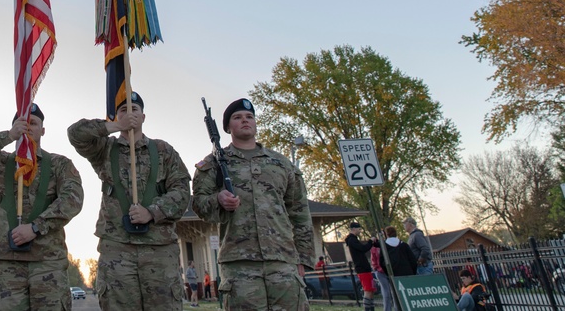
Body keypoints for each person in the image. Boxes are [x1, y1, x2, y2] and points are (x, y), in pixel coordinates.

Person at [68, 92, 191, 311]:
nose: (130, 114)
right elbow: (75, 134)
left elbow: (181, 191)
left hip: (159, 250)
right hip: (117, 249)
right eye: (123, 110)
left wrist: (153, 212)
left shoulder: (164, 151)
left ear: (143, 117)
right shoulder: (104, 149)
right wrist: (113, 127)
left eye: (135, 109)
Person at [191, 98, 315, 311]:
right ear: (228, 127)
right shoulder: (213, 164)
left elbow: (299, 212)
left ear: (256, 123)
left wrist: (303, 258)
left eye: (249, 117)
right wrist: (218, 199)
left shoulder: (281, 164)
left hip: (282, 259)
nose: (245, 121)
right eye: (237, 118)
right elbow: (199, 205)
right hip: (239, 263)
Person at [0, 103, 84, 311]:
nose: (28, 127)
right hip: (9, 263)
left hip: (48, 263)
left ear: (43, 130)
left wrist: (35, 227)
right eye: (23, 123)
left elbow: (73, 200)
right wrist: (7, 136)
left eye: (34, 123)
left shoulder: (59, 164)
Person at [345, 222, 376, 311]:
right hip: (362, 268)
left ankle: (371, 308)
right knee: (367, 289)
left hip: (364, 268)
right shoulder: (352, 240)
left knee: (370, 289)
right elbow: (363, 249)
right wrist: (370, 241)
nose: (360, 231)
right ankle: (367, 308)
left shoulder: (353, 239)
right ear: (354, 229)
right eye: (359, 229)